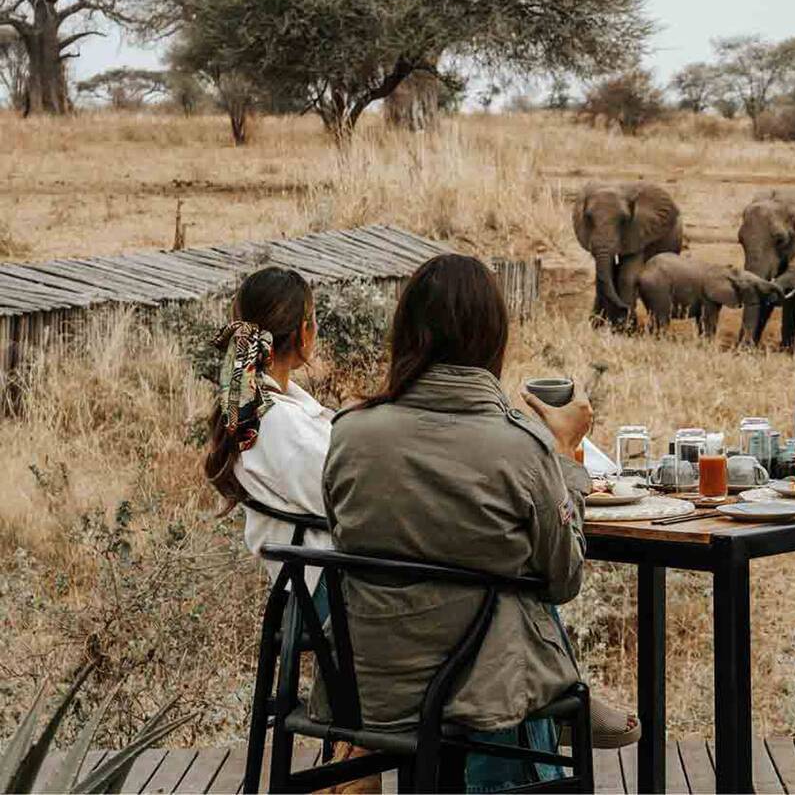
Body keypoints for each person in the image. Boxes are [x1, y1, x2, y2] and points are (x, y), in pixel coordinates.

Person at [321, 253, 637, 793]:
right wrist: (563, 453)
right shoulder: (520, 446)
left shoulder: (350, 433)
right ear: (494, 338)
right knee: (517, 604)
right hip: (480, 690)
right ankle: (567, 707)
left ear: (406, 334)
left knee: (499, 600)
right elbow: (564, 579)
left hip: (368, 683)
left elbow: (348, 536)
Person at [203, 266, 332, 595]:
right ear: (304, 333)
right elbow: (350, 501)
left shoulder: (252, 404)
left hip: (313, 575)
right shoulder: (278, 423)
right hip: (331, 585)